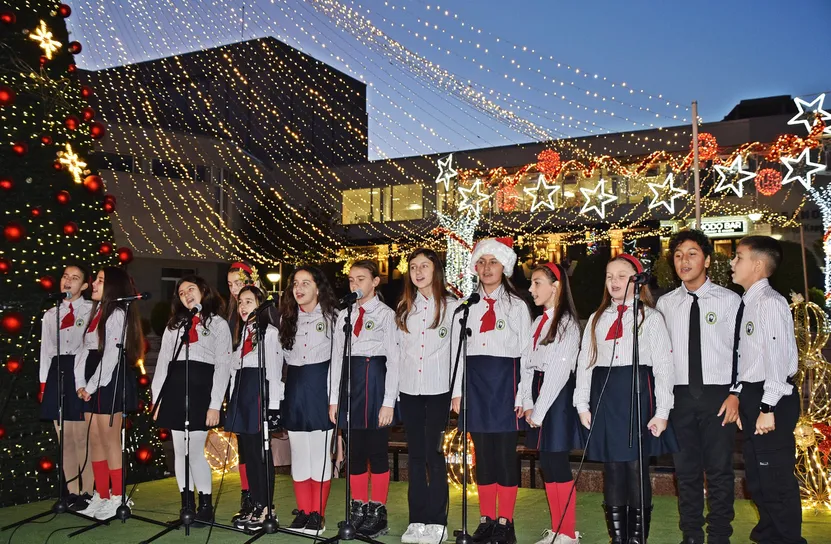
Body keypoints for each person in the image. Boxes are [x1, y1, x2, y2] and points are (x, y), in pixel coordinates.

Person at [574, 254, 676, 544]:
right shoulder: (597, 318)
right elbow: (585, 362)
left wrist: (662, 410)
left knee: (635, 467)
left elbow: (663, 366)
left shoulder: (650, 318)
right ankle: (618, 538)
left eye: (621, 276)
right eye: (609, 276)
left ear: (637, 280)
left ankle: (637, 538)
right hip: (605, 397)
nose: (614, 281)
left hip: (637, 397)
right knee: (613, 468)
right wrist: (582, 404)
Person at [657, 230, 742, 544]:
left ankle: (719, 536)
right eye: (678, 255)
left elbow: (742, 352)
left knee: (720, 471)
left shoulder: (730, 300)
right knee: (686, 472)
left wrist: (736, 393)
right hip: (679, 398)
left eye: (692, 254)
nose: (684, 261)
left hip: (719, 396)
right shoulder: (665, 304)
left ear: (706, 260)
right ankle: (691, 536)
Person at [730, 236, 806, 544]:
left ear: (758, 265)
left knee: (775, 479)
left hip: (771, 396)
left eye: (739, 257)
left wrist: (767, 407)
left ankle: (787, 539)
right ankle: (769, 536)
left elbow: (777, 359)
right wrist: (741, 397)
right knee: (759, 478)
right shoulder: (749, 302)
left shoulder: (770, 303)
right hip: (755, 394)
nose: (732, 263)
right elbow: (748, 358)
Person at [465, 237, 532, 544]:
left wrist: (524, 394)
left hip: (506, 385)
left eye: (493, 262)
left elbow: (527, 355)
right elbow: (458, 353)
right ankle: (486, 519)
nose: (487, 268)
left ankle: (506, 521)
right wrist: (459, 393)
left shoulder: (517, 306)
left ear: (505, 267)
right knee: (482, 456)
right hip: (475, 386)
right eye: (482, 262)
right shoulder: (467, 306)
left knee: (504, 455)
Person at [151, 275, 232, 527]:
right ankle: (187, 507)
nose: (186, 294)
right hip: (175, 391)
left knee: (194, 450)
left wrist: (215, 404)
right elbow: (163, 364)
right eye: (181, 292)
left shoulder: (218, 324)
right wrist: (157, 399)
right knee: (180, 451)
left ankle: (205, 508)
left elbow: (223, 365)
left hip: (201, 393)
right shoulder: (175, 326)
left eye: (191, 289)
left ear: (203, 291)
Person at [328, 260, 399, 539]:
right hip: (351, 384)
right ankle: (357, 507)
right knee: (355, 452)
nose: (355, 284)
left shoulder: (386, 315)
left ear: (375, 282)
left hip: (375, 382)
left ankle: (377, 510)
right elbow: (336, 358)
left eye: (361, 279)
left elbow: (394, 360)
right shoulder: (344, 315)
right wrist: (333, 399)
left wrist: (389, 401)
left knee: (377, 451)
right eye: (351, 280)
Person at [394, 249, 459, 544]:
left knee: (435, 455)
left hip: (439, 391)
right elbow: (397, 355)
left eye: (424, 266)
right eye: (413, 267)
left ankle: (437, 521)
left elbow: (458, 355)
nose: (418, 272)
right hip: (409, 391)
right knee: (416, 456)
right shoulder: (404, 308)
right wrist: (393, 395)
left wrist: (457, 393)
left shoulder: (452, 307)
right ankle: (416, 520)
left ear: (436, 270)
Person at [519, 263, 583, 544]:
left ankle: (568, 532)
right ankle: (557, 529)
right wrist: (525, 400)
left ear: (555, 287)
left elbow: (558, 372)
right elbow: (526, 364)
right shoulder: (538, 322)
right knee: (547, 462)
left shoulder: (567, 324)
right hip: (538, 394)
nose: (531, 289)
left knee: (558, 462)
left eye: (537, 283)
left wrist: (540, 410)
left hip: (556, 399)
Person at [75, 267, 143, 520]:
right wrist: (80, 383)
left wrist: (91, 386)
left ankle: (117, 497)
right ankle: (101, 494)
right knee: (94, 439)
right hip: (92, 377)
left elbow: (111, 356)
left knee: (109, 439)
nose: (94, 284)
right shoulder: (96, 313)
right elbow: (83, 351)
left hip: (109, 378)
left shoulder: (117, 314)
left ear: (113, 287)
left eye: (100, 281)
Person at [278, 266, 338, 536]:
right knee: (299, 454)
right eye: (295, 284)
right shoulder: (287, 318)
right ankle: (303, 512)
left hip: (320, 388)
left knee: (319, 454)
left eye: (306, 283)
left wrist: (333, 399)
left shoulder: (333, 317)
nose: (299, 288)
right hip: (295, 389)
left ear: (318, 287)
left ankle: (317, 515)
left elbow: (338, 362)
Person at [226, 285, 282, 531]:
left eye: (249, 301)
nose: (243, 306)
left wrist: (274, 406)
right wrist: (232, 400)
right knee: (248, 454)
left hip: (259, 395)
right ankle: (255, 504)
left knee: (261, 454)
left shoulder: (269, 333)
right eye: (240, 302)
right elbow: (233, 371)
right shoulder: (242, 334)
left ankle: (267, 507)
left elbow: (275, 371)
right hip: (242, 397)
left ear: (260, 305)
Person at [39, 264, 94, 511]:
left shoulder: (91, 309)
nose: (68, 281)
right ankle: (72, 492)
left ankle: (88, 491)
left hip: (80, 371)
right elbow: (45, 352)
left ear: (85, 285)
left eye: (75, 278)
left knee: (81, 436)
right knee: (64, 438)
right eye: (65, 276)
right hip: (56, 372)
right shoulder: (51, 314)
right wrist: (43, 385)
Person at [225, 260, 259, 515]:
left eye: (238, 283)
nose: (234, 289)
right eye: (230, 285)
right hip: (237, 385)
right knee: (243, 447)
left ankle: (260, 499)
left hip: (256, 387)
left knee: (256, 446)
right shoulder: (231, 316)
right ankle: (246, 496)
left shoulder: (264, 313)